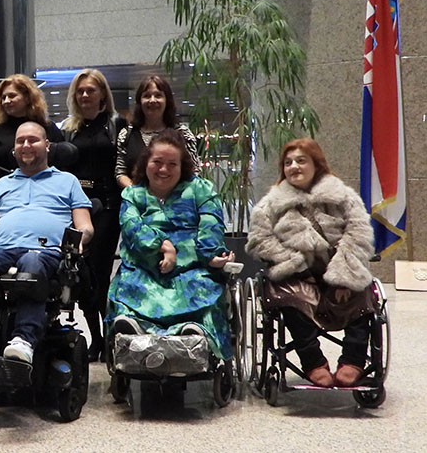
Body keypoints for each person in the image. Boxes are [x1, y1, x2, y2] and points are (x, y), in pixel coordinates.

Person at [0, 122, 92, 368]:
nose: (26, 145)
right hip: (2, 251)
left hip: (45, 252)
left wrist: (78, 240)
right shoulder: (3, 184)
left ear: (47, 145)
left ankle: (24, 340)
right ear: (13, 149)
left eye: (33, 140)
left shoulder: (68, 181)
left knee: (31, 262)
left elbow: (85, 226)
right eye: (20, 141)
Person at [246, 138, 377, 387]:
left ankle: (353, 360)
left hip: (338, 267)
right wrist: (295, 263)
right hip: (296, 276)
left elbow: (359, 234)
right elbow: (260, 240)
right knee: (287, 296)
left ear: (316, 164)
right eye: (288, 163)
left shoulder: (345, 198)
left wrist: (343, 274)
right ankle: (313, 362)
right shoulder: (269, 205)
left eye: (301, 160)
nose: (294, 166)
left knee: (361, 290)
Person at [106, 130, 234, 360]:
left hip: (193, 265)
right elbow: (131, 228)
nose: (163, 169)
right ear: (146, 163)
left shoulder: (200, 189)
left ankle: (194, 331)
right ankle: (135, 330)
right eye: (157, 162)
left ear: (182, 166)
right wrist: (162, 245)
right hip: (144, 265)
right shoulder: (133, 194)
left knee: (202, 288)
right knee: (129, 287)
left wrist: (211, 253)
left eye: (172, 164)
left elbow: (211, 222)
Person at [60, 68, 127, 362]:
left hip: (109, 207)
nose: (85, 95)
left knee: (99, 273)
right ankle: (95, 338)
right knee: (81, 275)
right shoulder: (68, 128)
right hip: (78, 207)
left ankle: (109, 336)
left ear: (102, 94)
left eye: (91, 90)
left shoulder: (116, 124)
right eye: (80, 91)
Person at [115, 74, 200, 190]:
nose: (152, 100)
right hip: (136, 198)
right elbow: (120, 172)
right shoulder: (126, 134)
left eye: (158, 95)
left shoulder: (183, 134)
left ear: (167, 100)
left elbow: (194, 171)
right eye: (146, 96)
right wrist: (138, 192)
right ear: (139, 101)